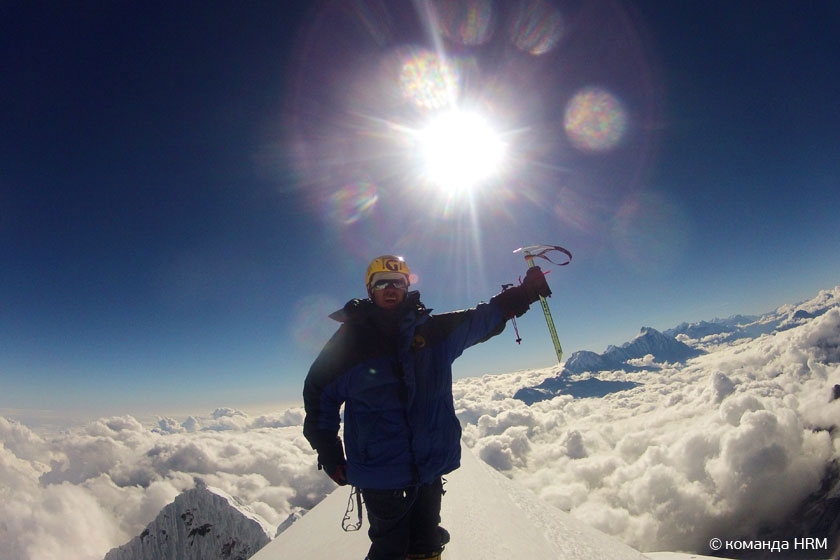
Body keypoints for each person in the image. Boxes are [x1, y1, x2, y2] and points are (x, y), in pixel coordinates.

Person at [303, 254, 551, 560]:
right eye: (382, 282)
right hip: (381, 473)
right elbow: (318, 398)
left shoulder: (434, 332)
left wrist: (524, 293)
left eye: (398, 282)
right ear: (370, 289)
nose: (391, 288)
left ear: (407, 286)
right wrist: (329, 454)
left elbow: (481, 319)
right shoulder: (349, 344)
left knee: (427, 542)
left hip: (429, 467)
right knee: (390, 549)